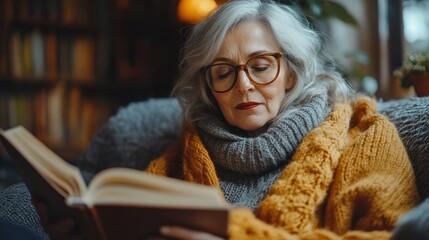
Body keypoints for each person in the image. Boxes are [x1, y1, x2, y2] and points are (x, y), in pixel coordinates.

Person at [35, 0, 419, 239]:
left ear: (292, 71)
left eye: (261, 66)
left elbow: (390, 236)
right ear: (208, 86)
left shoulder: (365, 137)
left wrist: (235, 234)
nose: (244, 85)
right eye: (223, 72)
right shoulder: (177, 160)